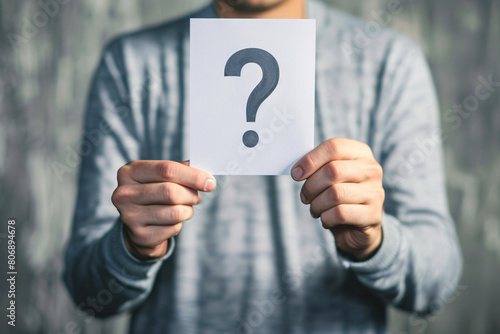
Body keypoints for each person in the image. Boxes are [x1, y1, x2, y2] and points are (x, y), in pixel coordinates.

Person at [63, 0, 463, 333]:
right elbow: (88, 293)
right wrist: (132, 248)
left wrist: (374, 243)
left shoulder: (388, 64)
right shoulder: (132, 65)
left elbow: (436, 283)